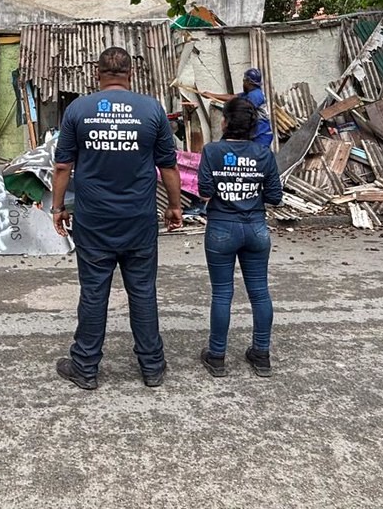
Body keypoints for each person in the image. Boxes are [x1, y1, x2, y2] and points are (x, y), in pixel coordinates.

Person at [51, 47, 183, 390]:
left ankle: (85, 367)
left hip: (94, 220)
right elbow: (167, 165)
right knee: (142, 290)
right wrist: (175, 206)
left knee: (94, 292)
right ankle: (152, 367)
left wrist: (57, 208)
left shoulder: (78, 110)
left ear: (97, 74)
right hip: (138, 219)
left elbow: (63, 165)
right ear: (130, 74)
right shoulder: (151, 109)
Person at [196, 96, 283, 378]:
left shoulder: (211, 151)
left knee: (222, 293)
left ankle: (217, 357)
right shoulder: (264, 154)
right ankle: (261, 355)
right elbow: (275, 197)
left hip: (221, 228)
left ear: (225, 122)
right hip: (256, 229)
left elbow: (204, 191)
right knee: (260, 293)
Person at [204, 67, 273, 147]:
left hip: (261, 134)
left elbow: (244, 111)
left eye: (244, 81)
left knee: (257, 157)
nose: (243, 83)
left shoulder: (255, 95)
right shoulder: (248, 93)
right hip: (255, 133)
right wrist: (210, 95)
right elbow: (232, 97)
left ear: (249, 82)